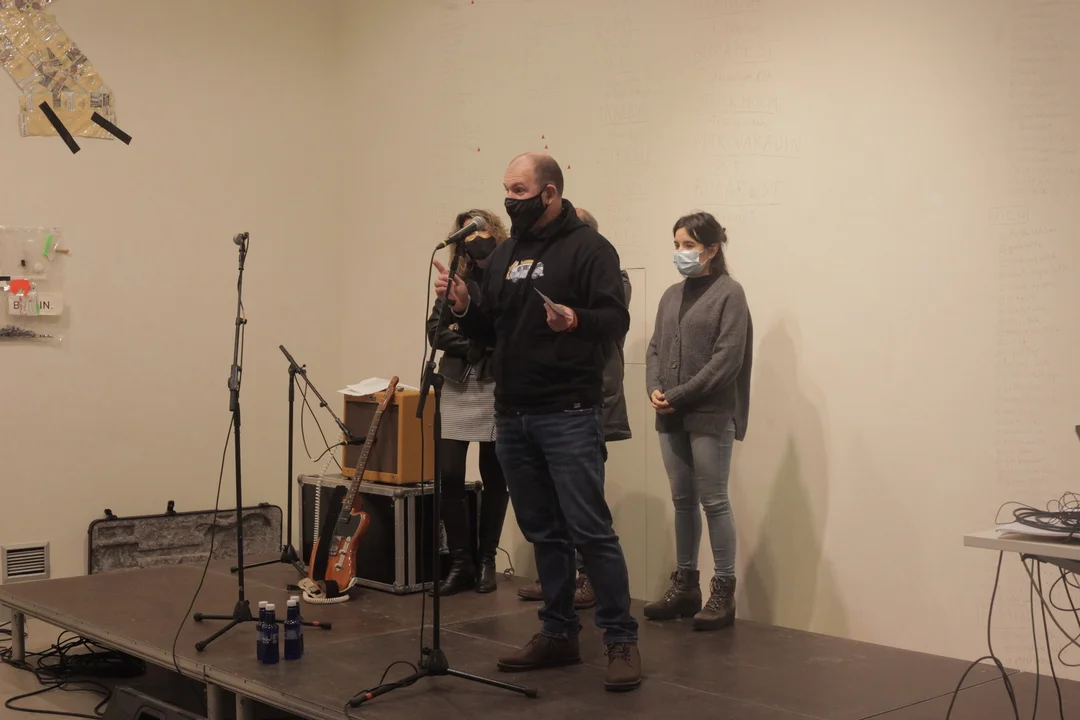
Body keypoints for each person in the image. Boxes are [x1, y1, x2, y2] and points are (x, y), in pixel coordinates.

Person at [433, 153, 641, 692]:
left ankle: (620, 638)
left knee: (590, 531)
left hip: (568, 411)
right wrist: (464, 306)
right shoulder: (506, 254)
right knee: (543, 531)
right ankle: (557, 632)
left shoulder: (589, 249)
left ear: (549, 192)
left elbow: (614, 319)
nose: (509, 201)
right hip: (513, 414)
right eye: (506, 190)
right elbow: (491, 331)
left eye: (519, 191)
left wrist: (575, 319)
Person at [516, 207, 631, 610]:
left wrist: (570, 315)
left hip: (586, 401)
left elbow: (608, 320)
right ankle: (559, 584)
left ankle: (592, 585)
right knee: (550, 503)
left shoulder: (609, 273)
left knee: (586, 507)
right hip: (542, 403)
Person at [644, 211, 753, 632]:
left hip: (709, 413)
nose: (681, 252)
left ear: (711, 248)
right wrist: (655, 389)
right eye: (676, 245)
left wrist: (678, 395)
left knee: (714, 501)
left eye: (688, 245)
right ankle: (685, 585)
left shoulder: (730, 293)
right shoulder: (671, 295)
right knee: (682, 501)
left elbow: (727, 360)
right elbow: (655, 348)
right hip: (670, 413)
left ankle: (722, 590)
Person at [426, 209, 511, 595]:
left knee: (495, 475)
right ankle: (461, 562)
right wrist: (474, 346)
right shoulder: (454, 278)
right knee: (448, 474)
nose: (475, 239)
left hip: (495, 385)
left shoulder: (506, 274)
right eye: (467, 234)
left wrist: (469, 333)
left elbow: (504, 331)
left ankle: (487, 559)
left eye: (481, 230)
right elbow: (435, 332)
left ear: (495, 232)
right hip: (457, 383)